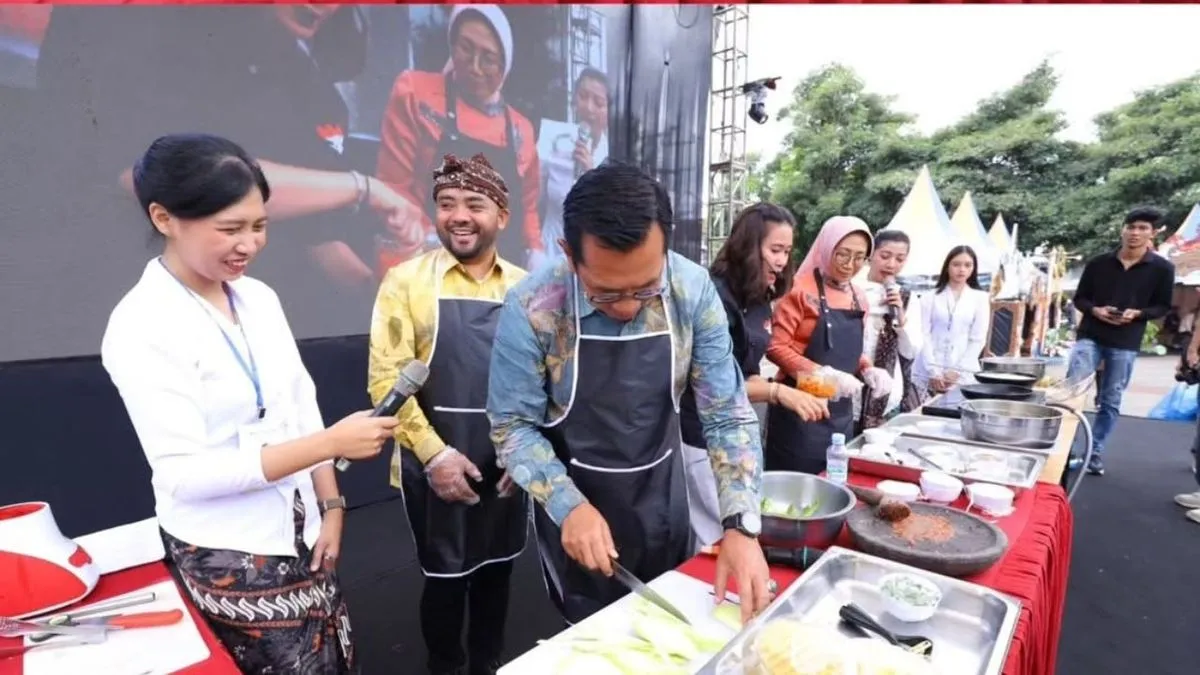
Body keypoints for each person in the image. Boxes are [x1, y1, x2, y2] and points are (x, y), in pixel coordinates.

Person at [100, 134, 399, 674]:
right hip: (229, 552)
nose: (249, 244)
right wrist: (331, 443)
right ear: (165, 218)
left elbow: (300, 403)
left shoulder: (259, 298)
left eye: (259, 226)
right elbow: (186, 475)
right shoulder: (141, 325)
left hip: (303, 531)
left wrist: (331, 506)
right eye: (230, 229)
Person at [486, 162, 771, 627]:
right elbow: (512, 427)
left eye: (644, 289)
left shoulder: (691, 289)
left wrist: (740, 524)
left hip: (662, 496)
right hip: (577, 502)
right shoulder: (533, 306)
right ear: (568, 254)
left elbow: (728, 415)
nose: (625, 307)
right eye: (604, 293)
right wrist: (567, 506)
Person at [32, 6, 422, 339]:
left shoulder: (296, 75)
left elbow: (316, 237)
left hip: (258, 335)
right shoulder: (138, 31)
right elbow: (172, 177)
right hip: (118, 315)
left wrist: (383, 295)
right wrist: (363, 188)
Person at [367, 153, 527, 675]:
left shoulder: (529, 288)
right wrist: (436, 456)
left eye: (474, 204)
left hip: (504, 461)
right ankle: (444, 666)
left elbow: (544, 381)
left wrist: (522, 451)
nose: (459, 215)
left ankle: (488, 664)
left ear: (501, 216)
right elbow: (387, 379)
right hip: (432, 459)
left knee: (497, 574)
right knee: (444, 578)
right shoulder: (405, 282)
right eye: (447, 204)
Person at [679, 203, 828, 547]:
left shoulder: (760, 297)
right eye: (775, 250)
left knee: (743, 526)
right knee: (718, 533)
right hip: (702, 436)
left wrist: (798, 384)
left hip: (738, 432)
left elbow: (748, 372)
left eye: (787, 252)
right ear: (748, 246)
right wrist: (779, 394)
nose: (782, 260)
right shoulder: (712, 296)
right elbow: (712, 385)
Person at [377, 5, 543, 269]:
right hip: (429, 266)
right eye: (465, 48)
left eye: (488, 58)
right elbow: (393, 189)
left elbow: (528, 209)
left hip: (499, 280)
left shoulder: (521, 129)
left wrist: (535, 253)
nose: (475, 68)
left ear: (506, 62)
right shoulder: (415, 94)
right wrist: (428, 246)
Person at [765, 216, 892, 474]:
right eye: (842, 255)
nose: (850, 265)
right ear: (826, 248)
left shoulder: (859, 297)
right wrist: (821, 375)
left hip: (840, 413)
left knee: (833, 481)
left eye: (859, 257)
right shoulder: (798, 290)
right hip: (799, 407)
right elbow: (776, 347)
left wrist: (867, 369)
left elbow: (850, 353)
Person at [1067, 207, 1174, 476]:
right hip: (1091, 333)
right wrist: (1095, 310)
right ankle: (1063, 447)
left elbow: (1162, 306)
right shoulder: (1099, 263)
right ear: (1122, 229)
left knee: (1111, 399)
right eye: (1131, 227)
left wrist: (1138, 314)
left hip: (1125, 339)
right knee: (1072, 391)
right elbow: (1080, 298)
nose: (1135, 233)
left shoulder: (1162, 269)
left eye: (1142, 228)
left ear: (1153, 234)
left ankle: (1095, 451)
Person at [539, 67, 611, 260]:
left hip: (590, 257)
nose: (589, 107)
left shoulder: (613, 158)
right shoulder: (554, 140)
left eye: (598, 103)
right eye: (583, 96)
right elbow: (534, 198)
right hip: (549, 249)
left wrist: (591, 174)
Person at [857, 230, 924, 430]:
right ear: (871, 255)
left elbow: (911, 351)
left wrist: (900, 320)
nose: (891, 264)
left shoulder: (906, 298)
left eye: (899, 259)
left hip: (887, 395)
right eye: (885, 256)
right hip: (851, 385)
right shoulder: (852, 289)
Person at [913, 245, 992, 399]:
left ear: (973, 269)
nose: (962, 269)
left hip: (964, 371)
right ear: (947, 266)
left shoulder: (980, 299)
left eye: (967, 265)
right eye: (956, 264)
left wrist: (957, 371)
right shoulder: (930, 297)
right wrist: (933, 370)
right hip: (928, 368)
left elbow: (977, 339)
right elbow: (923, 334)